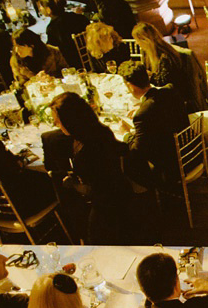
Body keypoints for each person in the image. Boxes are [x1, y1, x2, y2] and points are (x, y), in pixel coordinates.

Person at [48, 92, 138, 244]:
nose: (56, 124)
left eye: (57, 121)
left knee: (97, 240)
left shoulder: (90, 149)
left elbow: (95, 189)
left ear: (70, 121)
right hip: (118, 191)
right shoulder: (97, 131)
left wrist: (74, 185)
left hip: (109, 204)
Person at [118, 60, 190, 191]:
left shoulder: (143, 114)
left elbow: (137, 151)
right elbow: (161, 112)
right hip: (189, 152)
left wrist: (125, 133)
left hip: (171, 168)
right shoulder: (170, 89)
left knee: (125, 160)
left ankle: (150, 198)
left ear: (130, 86)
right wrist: (142, 108)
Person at [131, 22, 194, 109]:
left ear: (145, 40)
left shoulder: (165, 58)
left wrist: (150, 77)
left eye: (137, 40)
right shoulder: (154, 52)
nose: (137, 43)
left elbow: (166, 85)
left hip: (176, 102)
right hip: (168, 95)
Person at [41, 0, 90, 70]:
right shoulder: (78, 17)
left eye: (42, 7)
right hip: (89, 57)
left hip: (72, 63)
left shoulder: (52, 28)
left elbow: (52, 50)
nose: (40, 9)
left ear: (48, 10)